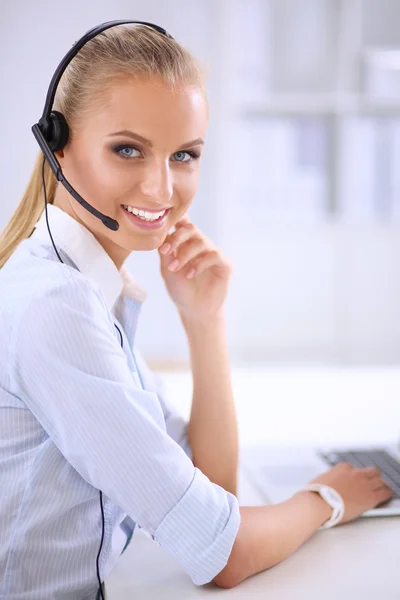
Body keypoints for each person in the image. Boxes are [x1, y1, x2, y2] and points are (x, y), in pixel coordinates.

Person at [0, 22, 392, 599]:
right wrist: (327, 500)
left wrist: (204, 321)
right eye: (127, 149)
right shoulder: (56, 307)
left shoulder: (84, 288)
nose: (161, 189)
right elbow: (223, 552)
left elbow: (211, 489)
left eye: (184, 155)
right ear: (56, 144)